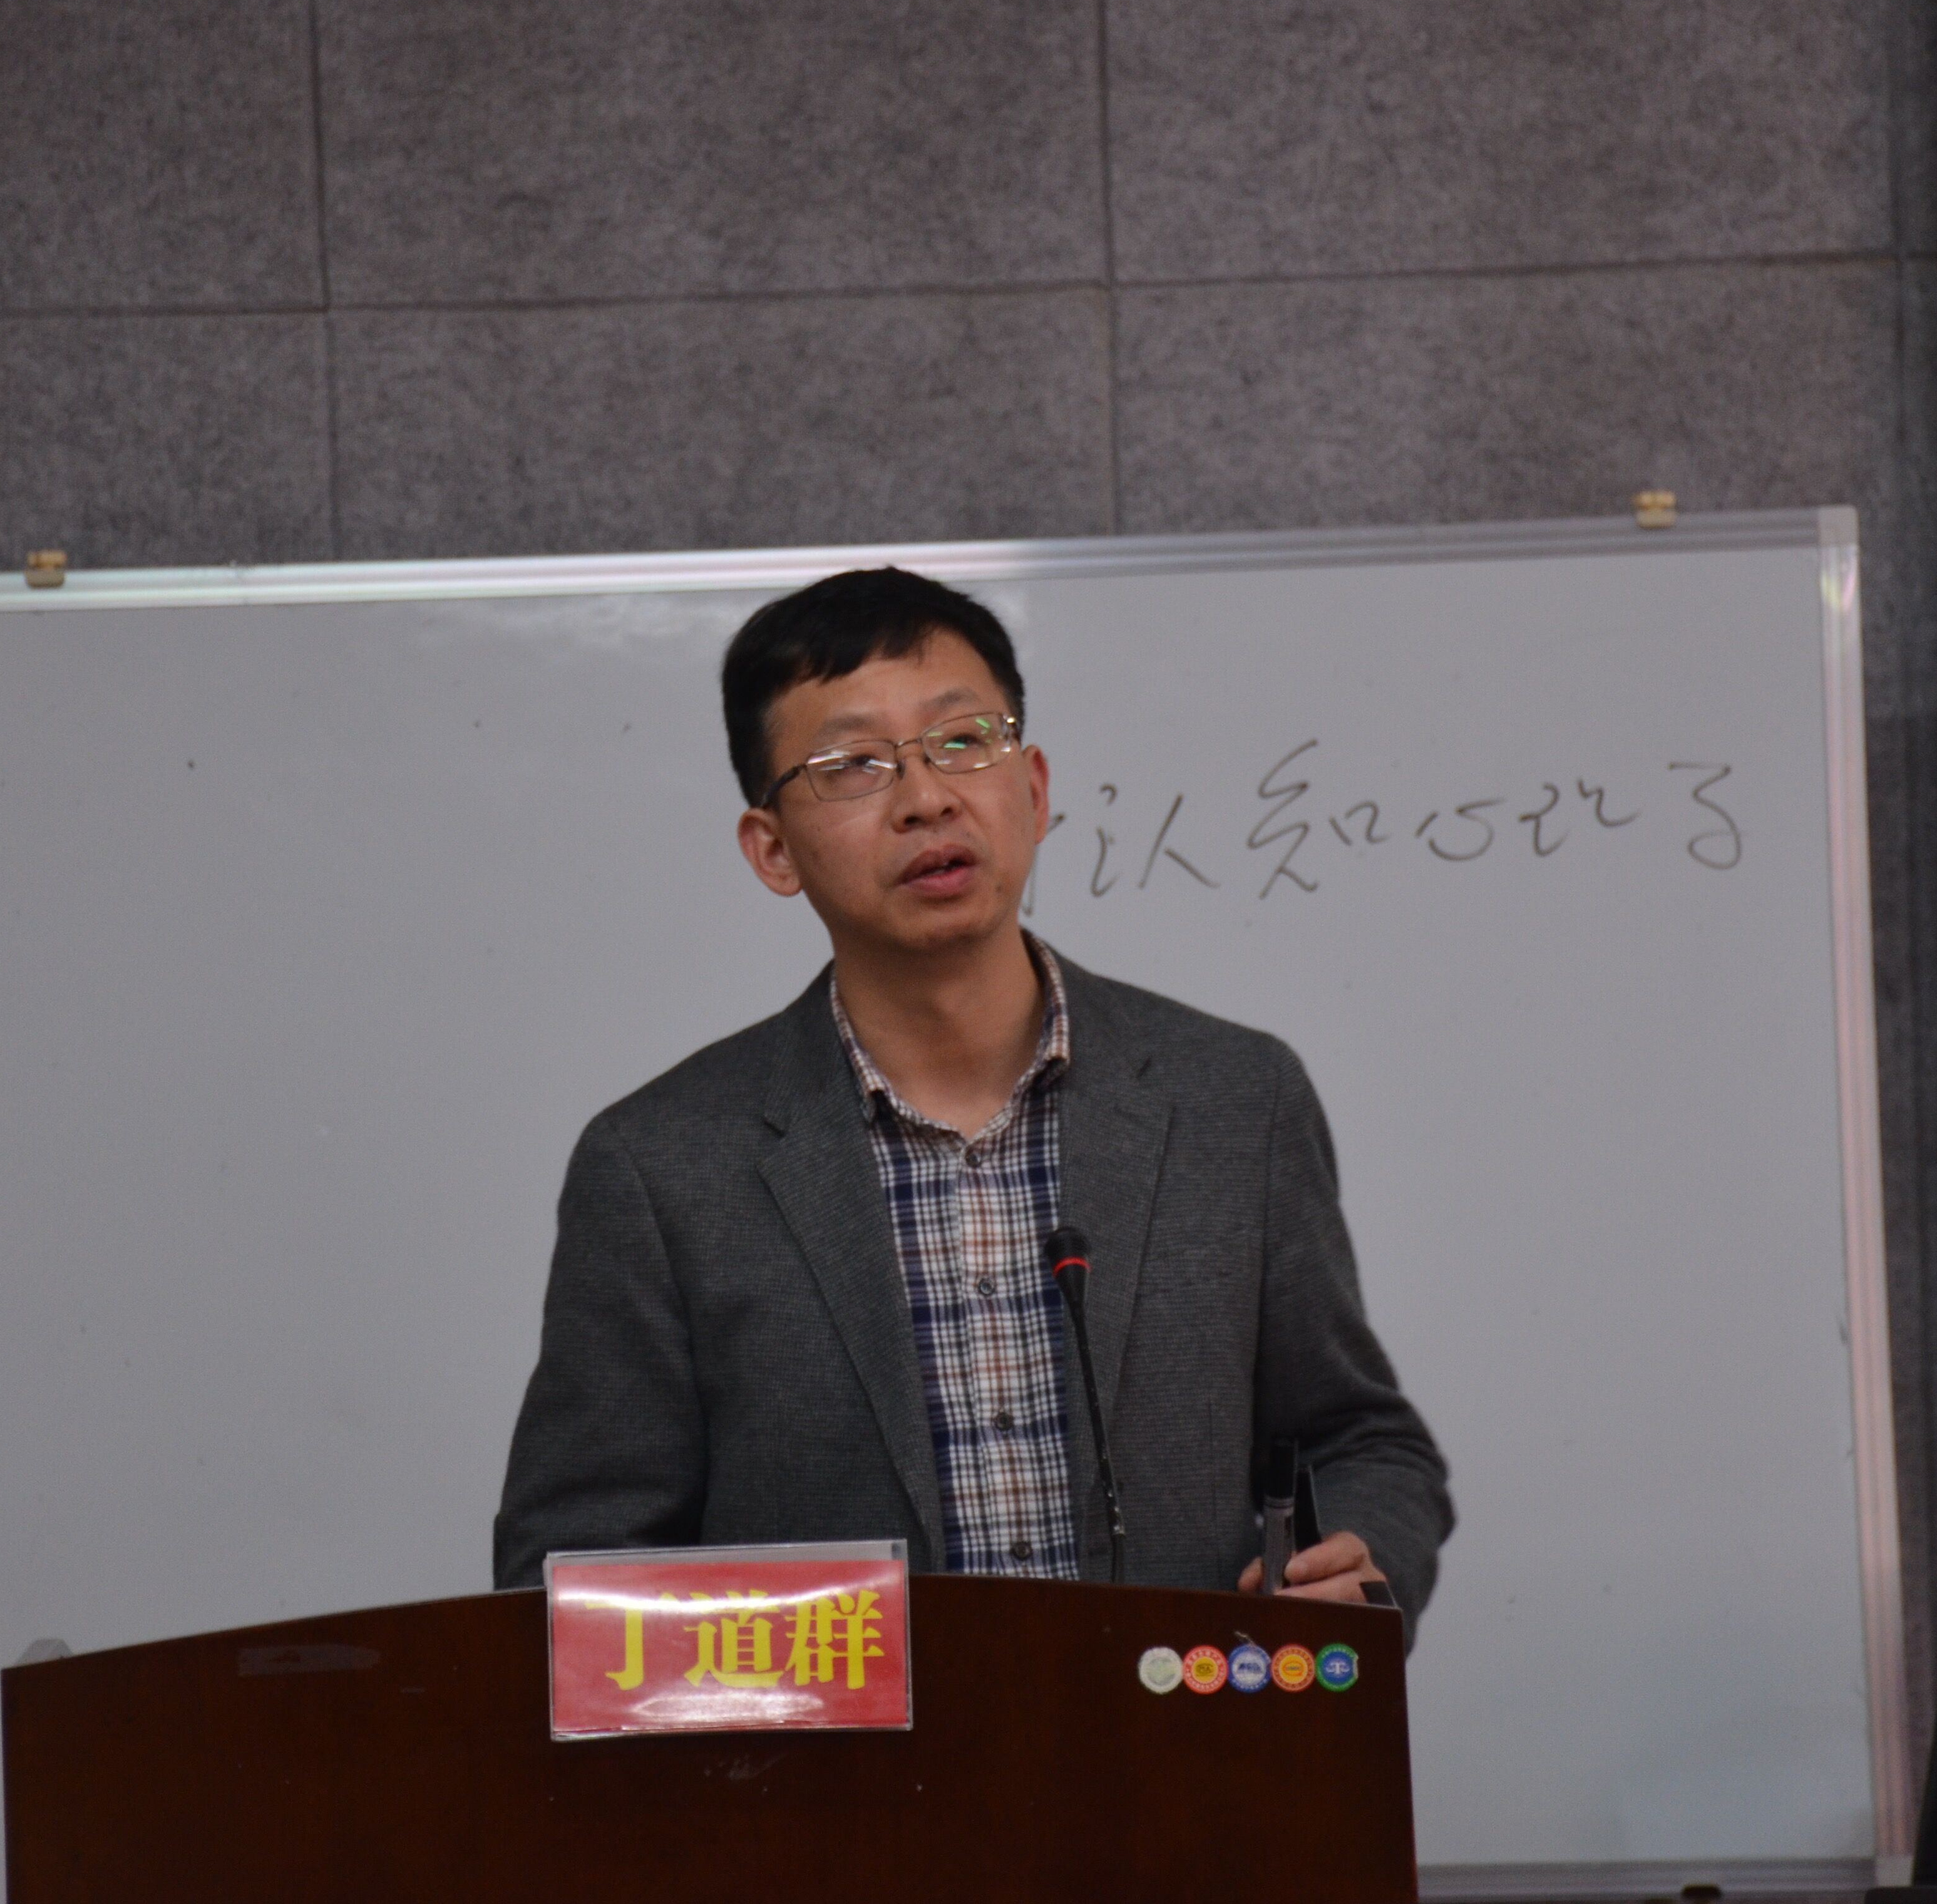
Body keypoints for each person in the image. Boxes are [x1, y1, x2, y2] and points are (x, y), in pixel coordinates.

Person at [493, 567, 1452, 1629]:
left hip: (1186, 1728)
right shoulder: (663, 1168)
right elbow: (572, 1571)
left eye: (962, 741)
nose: (927, 798)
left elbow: (1361, 1443)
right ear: (773, 850)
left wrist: (1361, 1566)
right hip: (846, 1744)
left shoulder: (1232, 1099)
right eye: (853, 767)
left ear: (1032, 792)